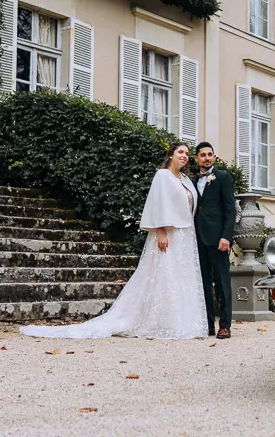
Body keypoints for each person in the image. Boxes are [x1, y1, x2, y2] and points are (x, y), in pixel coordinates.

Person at [19, 142, 207, 340]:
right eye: (180, 152)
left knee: (180, 277)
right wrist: (160, 231)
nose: (184, 156)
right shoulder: (162, 176)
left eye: (186, 153)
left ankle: (179, 322)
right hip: (168, 233)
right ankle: (157, 322)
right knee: (164, 274)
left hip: (185, 235)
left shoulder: (185, 179)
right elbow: (157, 204)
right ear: (171, 155)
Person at [192, 142, 237, 339]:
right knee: (203, 283)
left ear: (214, 157)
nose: (207, 158)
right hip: (198, 238)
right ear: (197, 159)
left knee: (222, 282)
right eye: (203, 155)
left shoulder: (223, 177)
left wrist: (226, 236)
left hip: (219, 239)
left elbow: (230, 209)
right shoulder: (192, 181)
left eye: (210, 154)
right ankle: (208, 325)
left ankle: (225, 325)